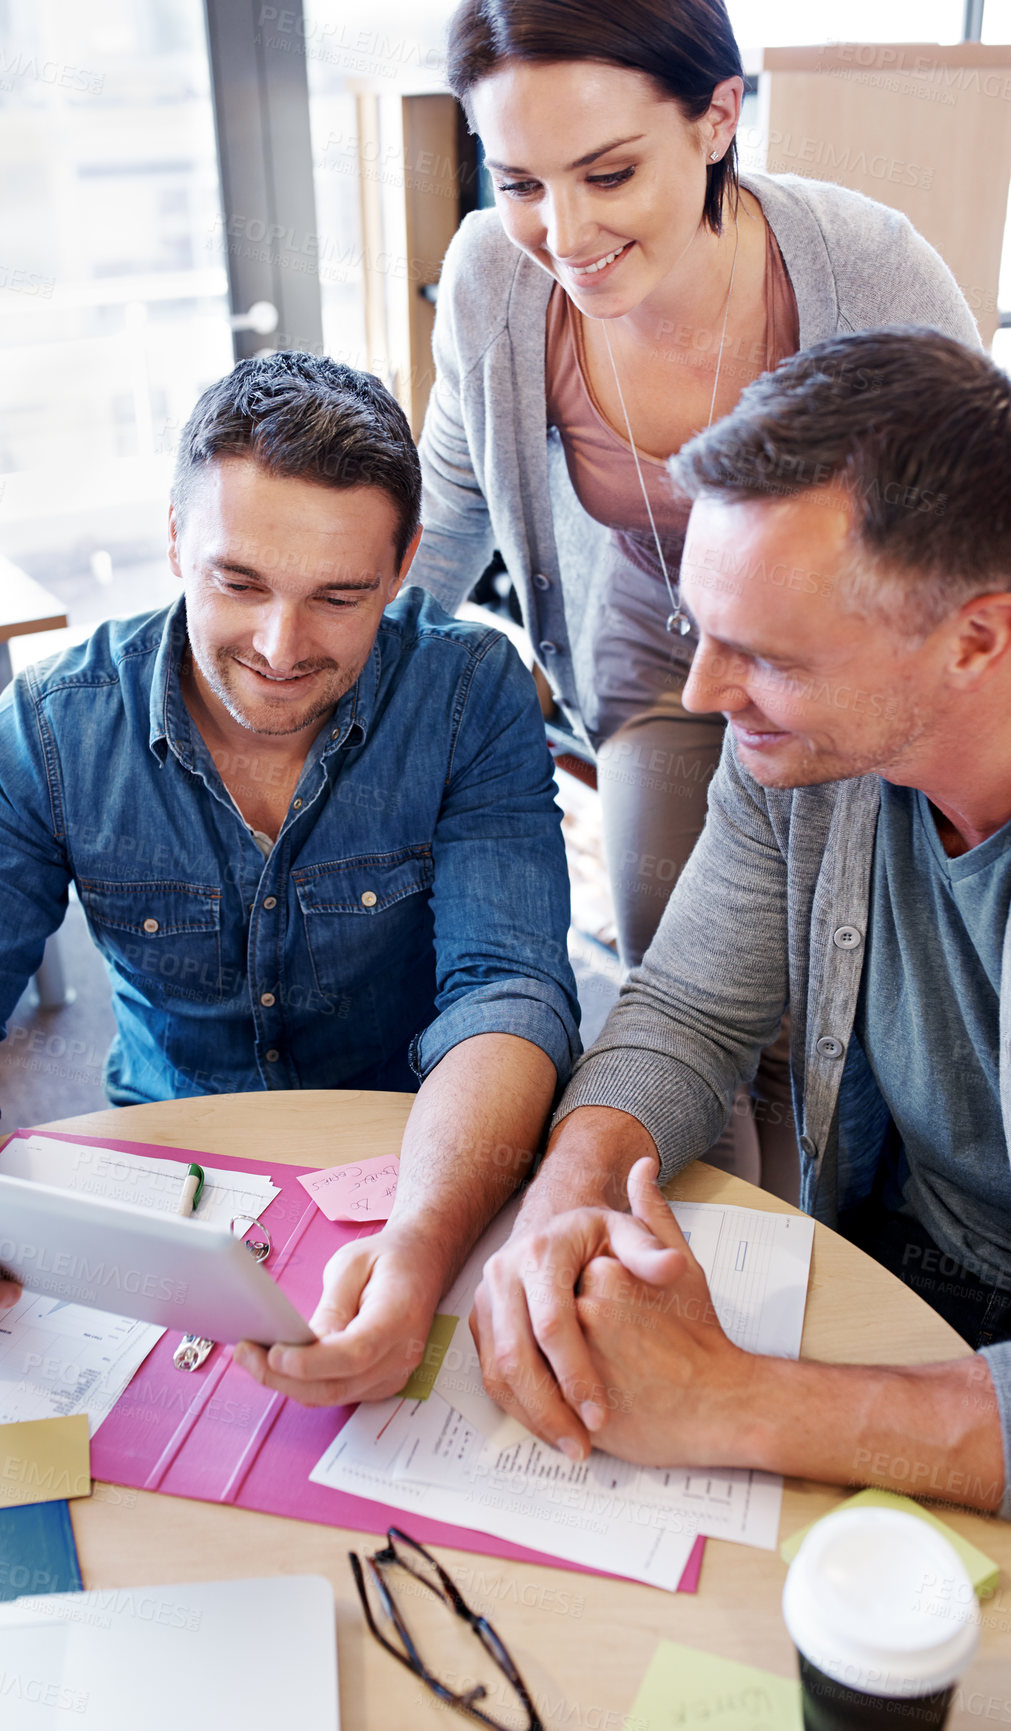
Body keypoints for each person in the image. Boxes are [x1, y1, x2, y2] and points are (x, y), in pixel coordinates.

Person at [0, 351, 581, 1412]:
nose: (281, 649)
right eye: (238, 583)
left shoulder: (471, 693)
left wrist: (421, 1242)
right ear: (173, 540)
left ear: (406, 563)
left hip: (416, 1165)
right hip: (160, 1187)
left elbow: (507, 993)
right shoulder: (55, 726)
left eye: (340, 597)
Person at [408, 0, 979, 1192]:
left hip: (840, 645)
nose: (562, 231)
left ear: (720, 116)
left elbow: (971, 515)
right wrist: (361, 674)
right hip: (644, 628)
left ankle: (812, 1230)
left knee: (819, 994)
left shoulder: (864, 266)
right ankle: (710, 1255)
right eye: (518, 182)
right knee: (686, 970)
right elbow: (450, 494)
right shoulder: (492, 283)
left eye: (608, 173)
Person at [470, 327, 1011, 1515]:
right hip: (890, 1269)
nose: (707, 695)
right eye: (699, 632)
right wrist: (561, 1210)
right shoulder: (806, 758)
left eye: (763, 655)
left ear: (976, 637)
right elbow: (683, 1011)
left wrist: (733, 1400)